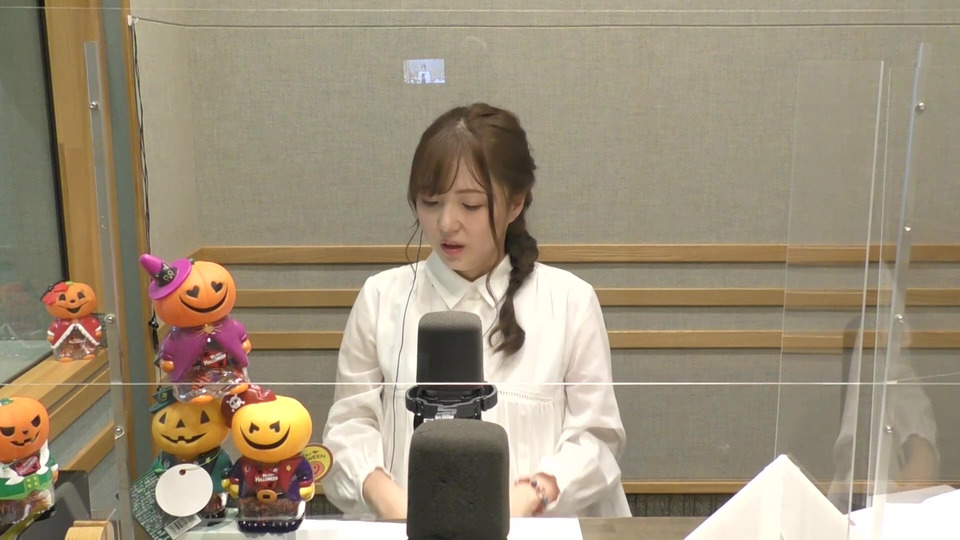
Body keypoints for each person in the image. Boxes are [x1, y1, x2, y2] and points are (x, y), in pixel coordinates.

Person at [322, 103, 631, 520]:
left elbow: (597, 438)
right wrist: (386, 497)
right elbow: (347, 427)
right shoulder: (381, 297)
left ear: (516, 204)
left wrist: (532, 495)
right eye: (430, 202)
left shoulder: (570, 301)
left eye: (470, 206)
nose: (446, 224)